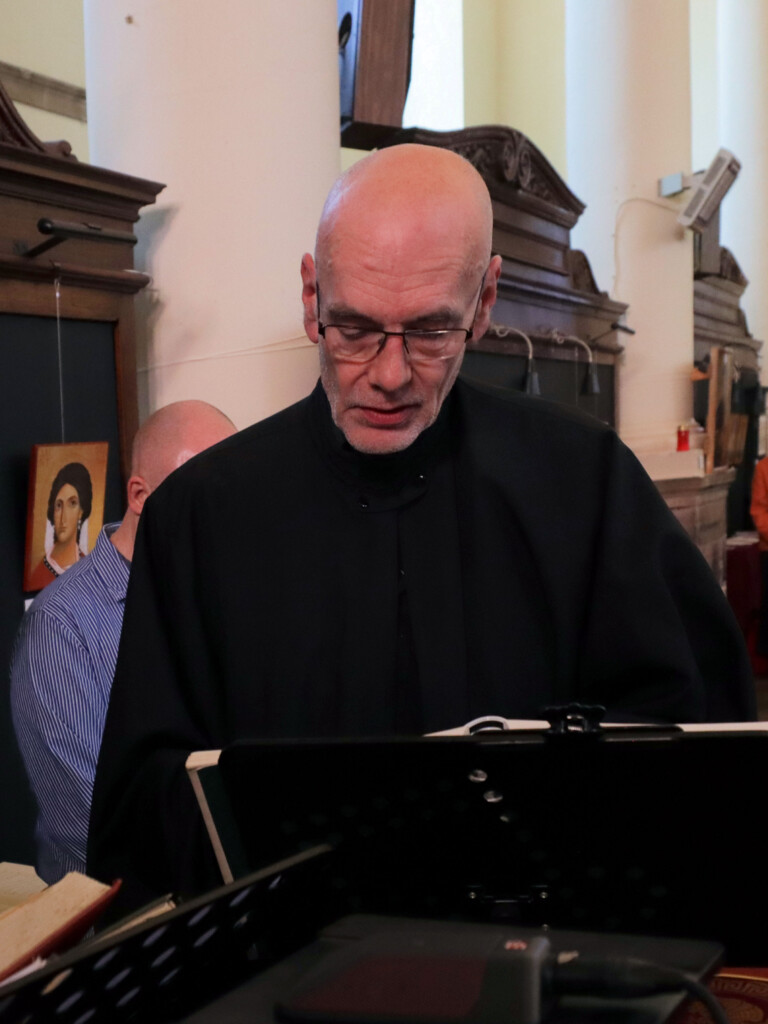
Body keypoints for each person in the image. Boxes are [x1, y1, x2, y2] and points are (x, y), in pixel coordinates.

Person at [87, 144, 756, 910]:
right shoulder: (199, 517)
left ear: (485, 301)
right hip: (287, 956)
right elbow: (142, 814)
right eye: (354, 328)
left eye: (432, 331)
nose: (390, 374)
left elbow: (697, 756)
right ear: (310, 296)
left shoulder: (586, 485)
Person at [10, 401, 236, 882]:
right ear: (139, 494)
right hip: (114, 904)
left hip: (220, 880)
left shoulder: (222, 595)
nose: (221, 514)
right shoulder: (61, 626)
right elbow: (96, 821)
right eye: (202, 493)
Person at [27, 462, 93, 591]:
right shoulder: (39, 574)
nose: (63, 518)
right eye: (58, 505)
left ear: (81, 511)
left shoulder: (89, 568)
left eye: (72, 503)